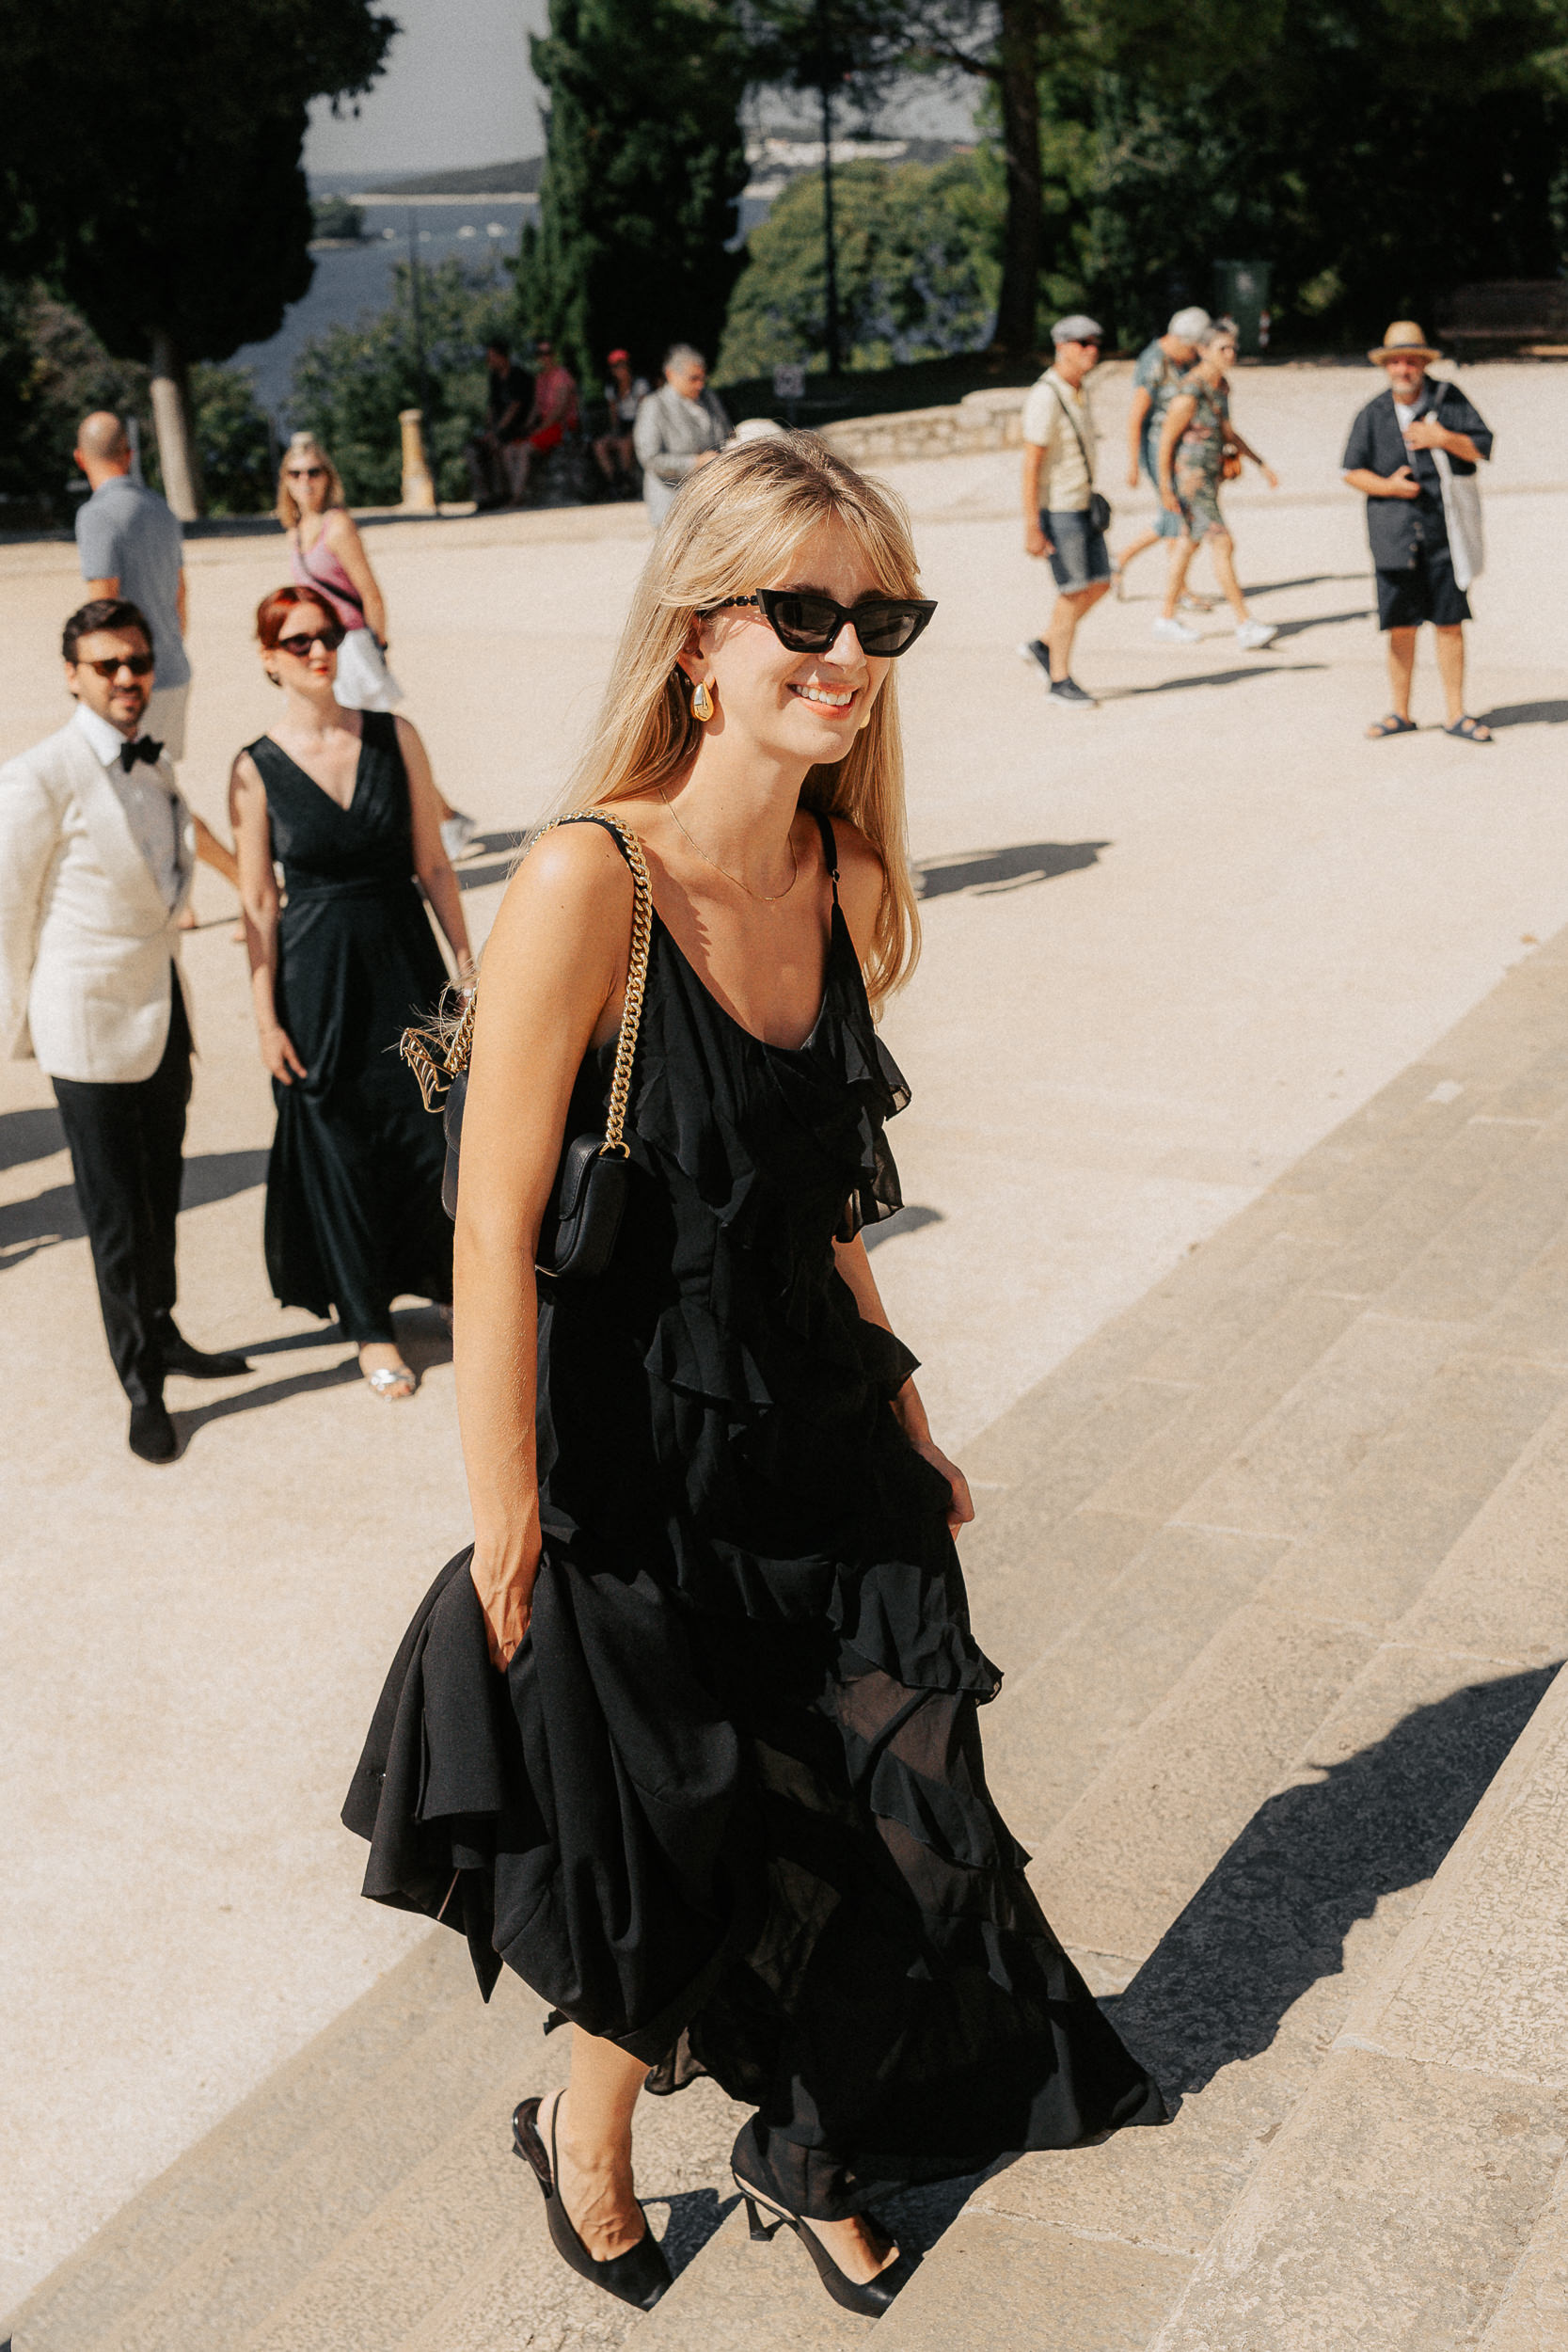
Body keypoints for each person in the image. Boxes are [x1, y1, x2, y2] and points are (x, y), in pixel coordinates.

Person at [343, 436, 1166, 2324]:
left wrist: (904, 1404)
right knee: (681, 1837)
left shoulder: (839, 864)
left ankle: (809, 2150)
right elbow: (486, 1229)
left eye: (878, 615)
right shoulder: (586, 878)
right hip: (636, 1455)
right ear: (695, 636)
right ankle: (589, 2132)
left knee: (888, 1796)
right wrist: (503, 1518)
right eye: (801, 610)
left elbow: (814, 1193)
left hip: (815, 1418)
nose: (846, 651)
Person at [0, 599, 252, 1462]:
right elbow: (7, 911)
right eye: (107, 665)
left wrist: (256, 885)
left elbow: (182, 841)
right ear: (72, 674)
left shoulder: (156, 759)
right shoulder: (38, 776)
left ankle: (166, 1330)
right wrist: (17, 1030)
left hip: (162, 1005)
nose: (126, 679)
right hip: (86, 1021)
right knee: (114, 1216)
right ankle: (140, 1383)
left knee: (160, 1193)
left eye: (136, 662)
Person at [230, 587, 475, 1400]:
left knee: (433, 1128)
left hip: (404, 956)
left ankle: (449, 1292)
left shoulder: (392, 735)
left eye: (326, 635)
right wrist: (265, 1019)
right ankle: (368, 1323)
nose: (317, 651)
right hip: (316, 977)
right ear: (268, 658)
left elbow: (433, 863)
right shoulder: (254, 768)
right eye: (297, 642)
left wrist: (467, 966)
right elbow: (258, 901)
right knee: (339, 1144)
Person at [279, 433, 479, 861]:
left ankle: (431, 824)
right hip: (321, 649)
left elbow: (370, 592)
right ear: (286, 481)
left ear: (327, 476)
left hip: (351, 646)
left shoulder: (338, 525)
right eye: (296, 473)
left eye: (314, 472)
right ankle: (444, 819)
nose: (306, 481)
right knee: (366, 741)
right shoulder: (296, 531)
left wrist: (378, 647)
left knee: (375, 742)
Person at [75, 410, 242, 920]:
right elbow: (179, 593)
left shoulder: (96, 517)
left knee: (152, 789)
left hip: (130, 682)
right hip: (169, 669)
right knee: (152, 785)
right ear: (129, 454)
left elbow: (103, 608)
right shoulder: (159, 508)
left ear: (81, 460)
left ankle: (243, 880)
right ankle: (183, 900)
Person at [1341, 320, 1495, 743]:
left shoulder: (1450, 400)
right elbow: (1350, 471)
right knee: (1400, 627)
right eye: (1396, 362)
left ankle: (1456, 713)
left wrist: (1442, 437)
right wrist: (1389, 487)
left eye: (1411, 361)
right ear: (1386, 366)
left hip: (1445, 534)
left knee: (1449, 624)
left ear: (1423, 364)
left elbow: (1482, 448)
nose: (1403, 369)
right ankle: (1401, 712)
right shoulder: (1372, 413)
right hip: (1393, 537)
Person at [1155, 321, 1279, 649]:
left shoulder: (1220, 387)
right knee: (1222, 543)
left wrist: (1260, 462)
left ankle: (1165, 617)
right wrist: (1166, 487)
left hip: (1210, 478)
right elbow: (1166, 441)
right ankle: (1244, 623)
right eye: (1223, 348)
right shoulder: (1190, 391)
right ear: (1202, 351)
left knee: (1188, 543)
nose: (1231, 353)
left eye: (1233, 347)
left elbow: (1228, 432)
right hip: (1191, 480)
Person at [1018, 314, 1112, 710]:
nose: (1091, 349)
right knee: (1072, 592)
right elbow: (1031, 464)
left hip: (1081, 503)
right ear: (1062, 346)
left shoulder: (1078, 389)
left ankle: (1044, 644)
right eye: (1082, 343)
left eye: (1095, 342)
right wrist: (1032, 525)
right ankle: (1059, 680)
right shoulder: (1046, 395)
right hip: (1058, 510)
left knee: (1101, 582)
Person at [1113, 306, 1211, 601]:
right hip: (1159, 449)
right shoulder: (1154, 362)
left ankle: (1120, 562)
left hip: (1178, 449)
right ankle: (1177, 589)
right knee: (1177, 517)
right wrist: (1133, 463)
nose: (1197, 356)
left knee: (1174, 518)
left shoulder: (1178, 360)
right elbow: (1136, 416)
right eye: (1195, 349)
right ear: (1182, 341)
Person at [632, 343, 733, 527]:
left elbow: (726, 435)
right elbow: (650, 458)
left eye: (703, 378)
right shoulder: (654, 406)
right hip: (672, 501)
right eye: (693, 378)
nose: (700, 385)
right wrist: (695, 462)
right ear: (670, 374)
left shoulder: (710, 399)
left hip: (712, 499)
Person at [504, 338, 580, 506]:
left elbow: (559, 410)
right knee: (509, 450)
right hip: (545, 426)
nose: (545, 357)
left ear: (553, 355)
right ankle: (515, 490)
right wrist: (527, 426)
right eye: (540, 354)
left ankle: (517, 496)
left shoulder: (562, 376)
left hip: (562, 426)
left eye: (548, 353)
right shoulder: (540, 379)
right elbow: (537, 408)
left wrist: (539, 429)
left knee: (524, 450)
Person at [469, 339, 534, 511]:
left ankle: (511, 494)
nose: (488, 361)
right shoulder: (494, 379)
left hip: (517, 430)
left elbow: (514, 407)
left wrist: (497, 432)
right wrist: (489, 430)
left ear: (502, 357)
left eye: (492, 357)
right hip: (499, 431)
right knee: (473, 449)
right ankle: (486, 496)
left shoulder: (519, 376)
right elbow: (491, 407)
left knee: (501, 448)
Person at [593, 348, 650, 492]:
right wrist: (615, 432)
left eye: (622, 365)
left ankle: (626, 480)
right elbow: (614, 416)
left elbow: (645, 411)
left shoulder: (639, 384)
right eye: (615, 367)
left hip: (639, 424)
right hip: (623, 426)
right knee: (599, 445)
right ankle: (614, 480)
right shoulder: (612, 389)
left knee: (624, 445)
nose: (619, 370)